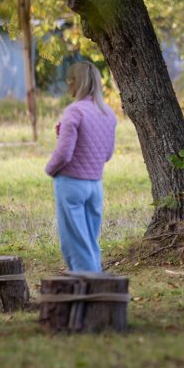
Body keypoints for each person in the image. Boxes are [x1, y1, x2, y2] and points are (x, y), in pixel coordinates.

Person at [45, 62, 117, 273]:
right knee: (90, 243)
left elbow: (64, 153)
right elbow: (107, 154)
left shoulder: (74, 111)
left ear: (79, 83)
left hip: (70, 184)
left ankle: (87, 293)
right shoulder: (108, 113)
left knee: (75, 244)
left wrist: (50, 169)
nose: (69, 86)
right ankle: (97, 287)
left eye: (70, 81)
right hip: (95, 184)